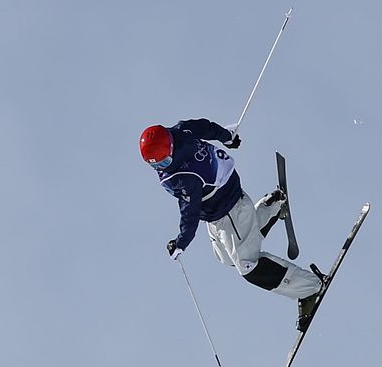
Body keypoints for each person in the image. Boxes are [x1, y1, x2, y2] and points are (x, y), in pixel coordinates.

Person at [139, 119, 325, 326]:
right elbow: (206, 127)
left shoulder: (182, 177)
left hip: (229, 214)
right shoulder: (182, 130)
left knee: (248, 267)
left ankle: (310, 288)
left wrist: (181, 243)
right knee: (226, 258)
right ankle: (271, 207)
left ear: (171, 148)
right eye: (156, 164)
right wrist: (227, 137)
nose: (162, 167)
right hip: (223, 210)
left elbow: (189, 214)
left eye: (164, 162)